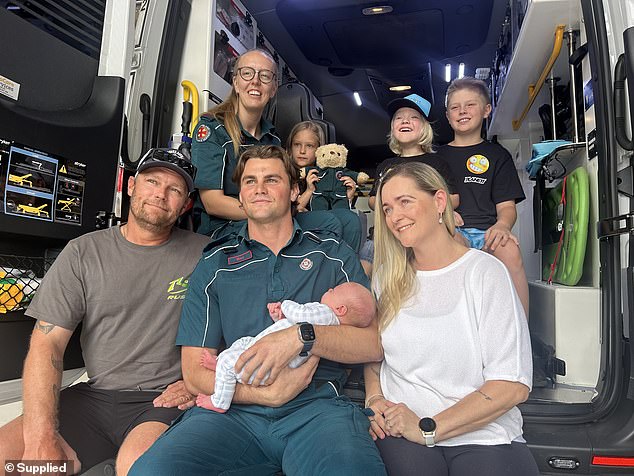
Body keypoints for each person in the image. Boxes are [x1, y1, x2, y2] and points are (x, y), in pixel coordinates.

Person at [129, 145, 386, 476]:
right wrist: (266, 395)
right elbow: (194, 372)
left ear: (294, 190)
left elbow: (373, 343)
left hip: (318, 410)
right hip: (234, 413)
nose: (259, 189)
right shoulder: (215, 263)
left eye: (272, 179)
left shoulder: (332, 253)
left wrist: (301, 336)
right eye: (250, 181)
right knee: (152, 472)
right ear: (241, 194)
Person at [0, 148, 210, 475]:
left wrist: (197, 382)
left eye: (174, 190)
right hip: (93, 399)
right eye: (152, 181)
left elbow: (238, 326)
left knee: (137, 466)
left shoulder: (205, 254)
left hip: (161, 401)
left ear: (185, 205)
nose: (160, 194)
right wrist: (41, 436)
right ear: (131, 187)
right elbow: (47, 343)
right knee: (10, 460)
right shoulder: (83, 252)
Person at [365, 162, 537, 476]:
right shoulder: (386, 279)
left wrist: (429, 428)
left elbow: (512, 385)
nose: (395, 217)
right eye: (387, 209)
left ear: (439, 202)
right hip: (401, 429)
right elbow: (373, 353)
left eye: (405, 202)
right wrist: (374, 396)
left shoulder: (484, 273)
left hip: (483, 433)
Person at [196, 282, 375, 413]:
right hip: (268, 353)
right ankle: (219, 365)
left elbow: (298, 314)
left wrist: (286, 305)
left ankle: (220, 401)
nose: (329, 289)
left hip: (265, 364)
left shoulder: (326, 314)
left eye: (334, 290)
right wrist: (279, 318)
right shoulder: (325, 321)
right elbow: (290, 328)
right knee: (243, 342)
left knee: (229, 362)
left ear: (341, 309)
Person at [438, 77, 529, 315]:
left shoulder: (498, 156)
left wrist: (502, 225)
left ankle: (521, 332)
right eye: (455, 107)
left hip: (487, 233)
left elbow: (507, 208)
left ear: (487, 110)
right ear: (448, 116)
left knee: (509, 250)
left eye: (470, 105)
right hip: (449, 231)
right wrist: (446, 215)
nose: (462, 111)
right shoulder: (435, 157)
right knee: (454, 247)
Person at [192, 48, 280, 238]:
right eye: (247, 73)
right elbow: (213, 203)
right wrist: (274, 215)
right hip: (223, 229)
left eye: (265, 76)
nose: (255, 81)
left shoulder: (273, 141)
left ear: (273, 88)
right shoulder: (213, 128)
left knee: (342, 221)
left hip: (267, 221)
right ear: (236, 83)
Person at [367, 93, 459, 214]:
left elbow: (454, 199)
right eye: (398, 118)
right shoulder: (385, 166)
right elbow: (372, 200)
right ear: (393, 128)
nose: (405, 121)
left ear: (424, 128)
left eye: (414, 117)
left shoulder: (437, 163)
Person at [286, 120, 356, 212]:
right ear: (290, 147)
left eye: (309, 146)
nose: (302, 151)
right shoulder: (285, 175)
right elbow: (292, 211)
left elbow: (334, 217)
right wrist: (309, 190)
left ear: (320, 149)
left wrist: (346, 197)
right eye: (297, 144)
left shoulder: (328, 175)